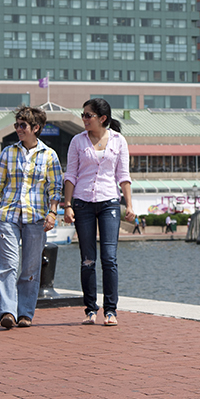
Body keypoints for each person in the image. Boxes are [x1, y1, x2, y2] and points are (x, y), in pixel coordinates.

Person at [0, 106, 64, 329]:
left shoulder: (49, 155)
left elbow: (55, 187)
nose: (18, 129)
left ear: (35, 128)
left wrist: (52, 212)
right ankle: (8, 312)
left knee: (31, 268)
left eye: (23, 125)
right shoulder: (8, 152)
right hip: (8, 214)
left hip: (36, 217)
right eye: (17, 125)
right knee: (8, 264)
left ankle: (25, 312)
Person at [62, 98, 133, 327]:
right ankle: (91, 309)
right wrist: (68, 205)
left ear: (102, 118)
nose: (84, 119)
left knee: (109, 259)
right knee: (88, 259)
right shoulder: (77, 141)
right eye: (82, 115)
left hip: (109, 202)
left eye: (88, 115)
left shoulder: (118, 141)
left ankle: (110, 310)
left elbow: (124, 175)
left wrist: (129, 205)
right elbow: (71, 174)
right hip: (82, 203)